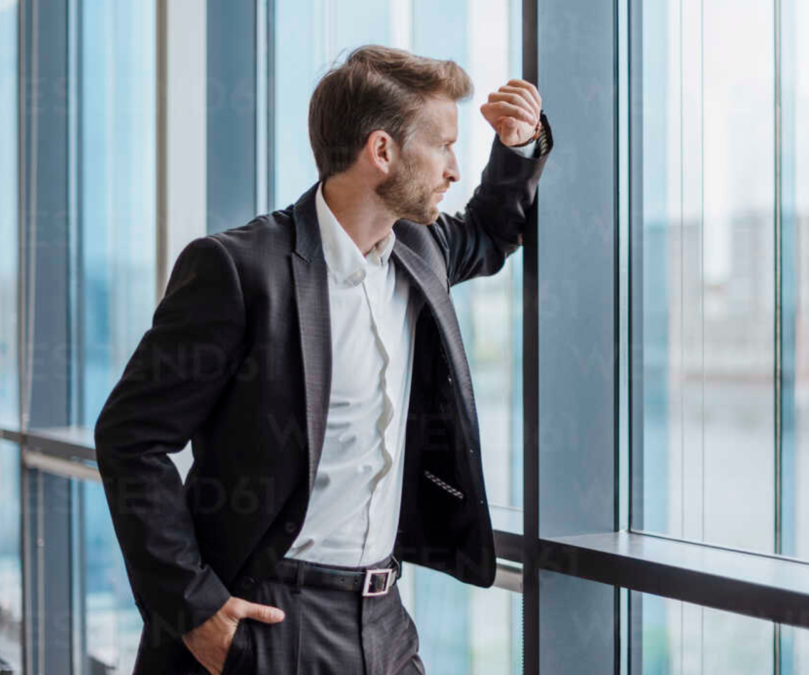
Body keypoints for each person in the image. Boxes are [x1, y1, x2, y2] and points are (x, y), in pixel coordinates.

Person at [94, 44, 553, 675]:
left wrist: (519, 145)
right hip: (269, 616)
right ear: (381, 151)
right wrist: (194, 609)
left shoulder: (421, 250)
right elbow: (131, 438)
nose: (453, 168)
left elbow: (490, 231)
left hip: (385, 617)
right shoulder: (237, 269)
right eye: (443, 145)